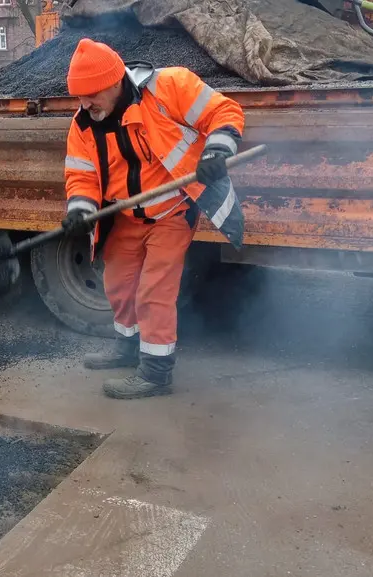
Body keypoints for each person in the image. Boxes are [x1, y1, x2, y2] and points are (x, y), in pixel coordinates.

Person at [62, 38, 245, 400]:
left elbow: (223, 112)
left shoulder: (170, 87)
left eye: (92, 95)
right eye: (79, 97)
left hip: (172, 211)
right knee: (118, 285)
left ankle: (156, 373)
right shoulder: (83, 124)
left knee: (153, 292)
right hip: (127, 216)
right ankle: (127, 348)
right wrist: (80, 211)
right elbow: (80, 175)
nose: (85, 104)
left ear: (115, 82)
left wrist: (217, 150)